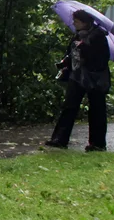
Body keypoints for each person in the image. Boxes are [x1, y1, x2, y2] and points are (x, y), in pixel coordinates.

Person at [46, 9, 110, 151]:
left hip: (95, 78)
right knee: (69, 106)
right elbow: (71, 53)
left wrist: (85, 50)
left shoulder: (98, 36)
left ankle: (97, 143)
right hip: (77, 76)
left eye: (76, 21)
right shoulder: (77, 35)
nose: (74, 23)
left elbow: (101, 59)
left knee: (97, 109)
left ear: (84, 22)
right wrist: (65, 63)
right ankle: (59, 139)